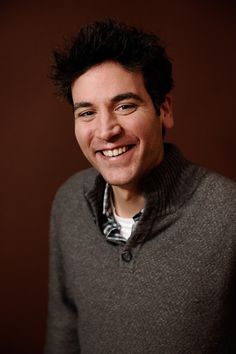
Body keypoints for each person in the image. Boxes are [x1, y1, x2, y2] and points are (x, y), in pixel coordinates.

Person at [44, 19, 236, 354]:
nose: (106, 131)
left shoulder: (228, 215)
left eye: (125, 106)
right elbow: (63, 331)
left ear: (164, 109)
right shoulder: (69, 203)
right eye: (86, 113)